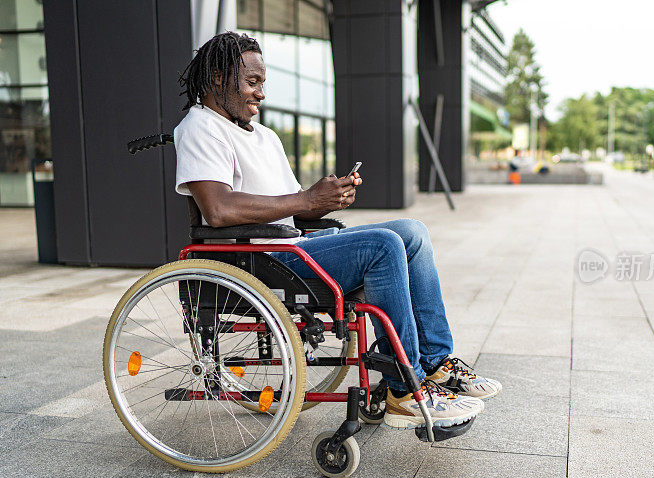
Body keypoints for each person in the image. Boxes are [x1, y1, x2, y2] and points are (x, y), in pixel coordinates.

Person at [173, 32, 501, 430]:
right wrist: (305, 201)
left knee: (411, 231)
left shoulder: (265, 136)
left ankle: (434, 364)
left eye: (263, 82)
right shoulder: (200, 127)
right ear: (219, 79)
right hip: (262, 261)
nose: (261, 93)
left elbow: (292, 203)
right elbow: (218, 209)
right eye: (252, 82)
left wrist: (324, 199)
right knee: (383, 245)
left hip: (292, 246)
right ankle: (403, 388)